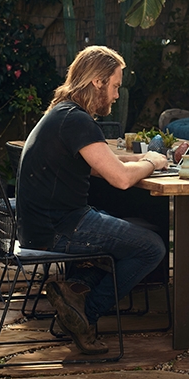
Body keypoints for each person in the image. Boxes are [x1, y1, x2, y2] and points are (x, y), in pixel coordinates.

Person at [17, 45, 169, 354]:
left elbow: (104, 167)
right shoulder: (76, 120)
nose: (115, 95)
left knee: (120, 235)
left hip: (43, 225)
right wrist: (153, 161)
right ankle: (85, 314)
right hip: (59, 228)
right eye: (114, 86)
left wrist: (128, 161)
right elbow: (121, 179)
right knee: (151, 248)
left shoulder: (63, 113)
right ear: (97, 82)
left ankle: (74, 291)